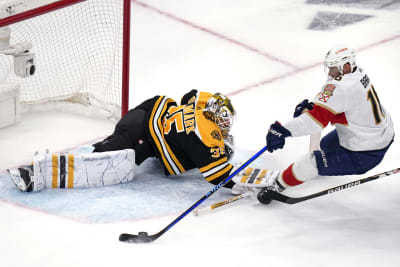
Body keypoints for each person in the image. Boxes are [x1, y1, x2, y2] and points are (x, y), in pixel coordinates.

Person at [233, 44, 394, 204]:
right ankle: (314, 168)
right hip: (380, 131)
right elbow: (341, 108)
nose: (330, 72)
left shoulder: (342, 87)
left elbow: (313, 123)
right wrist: (312, 109)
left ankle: (275, 187)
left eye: (333, 68)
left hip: (365, 153)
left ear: (346, 66)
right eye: (329, 68)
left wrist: (283, 131)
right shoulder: (357, 73)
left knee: (309, 162)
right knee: (325, 145)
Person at [8, 90, 237, 192]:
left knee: (139, 154)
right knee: (103, 163)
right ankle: (34, 173)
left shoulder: (204, 103)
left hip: (150, 112)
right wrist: (241, 184)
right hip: (141, 130)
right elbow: (217, 176)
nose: (225, 127)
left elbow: (189, 96)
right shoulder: (205, 134)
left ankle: (39, 171)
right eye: (224, 122)